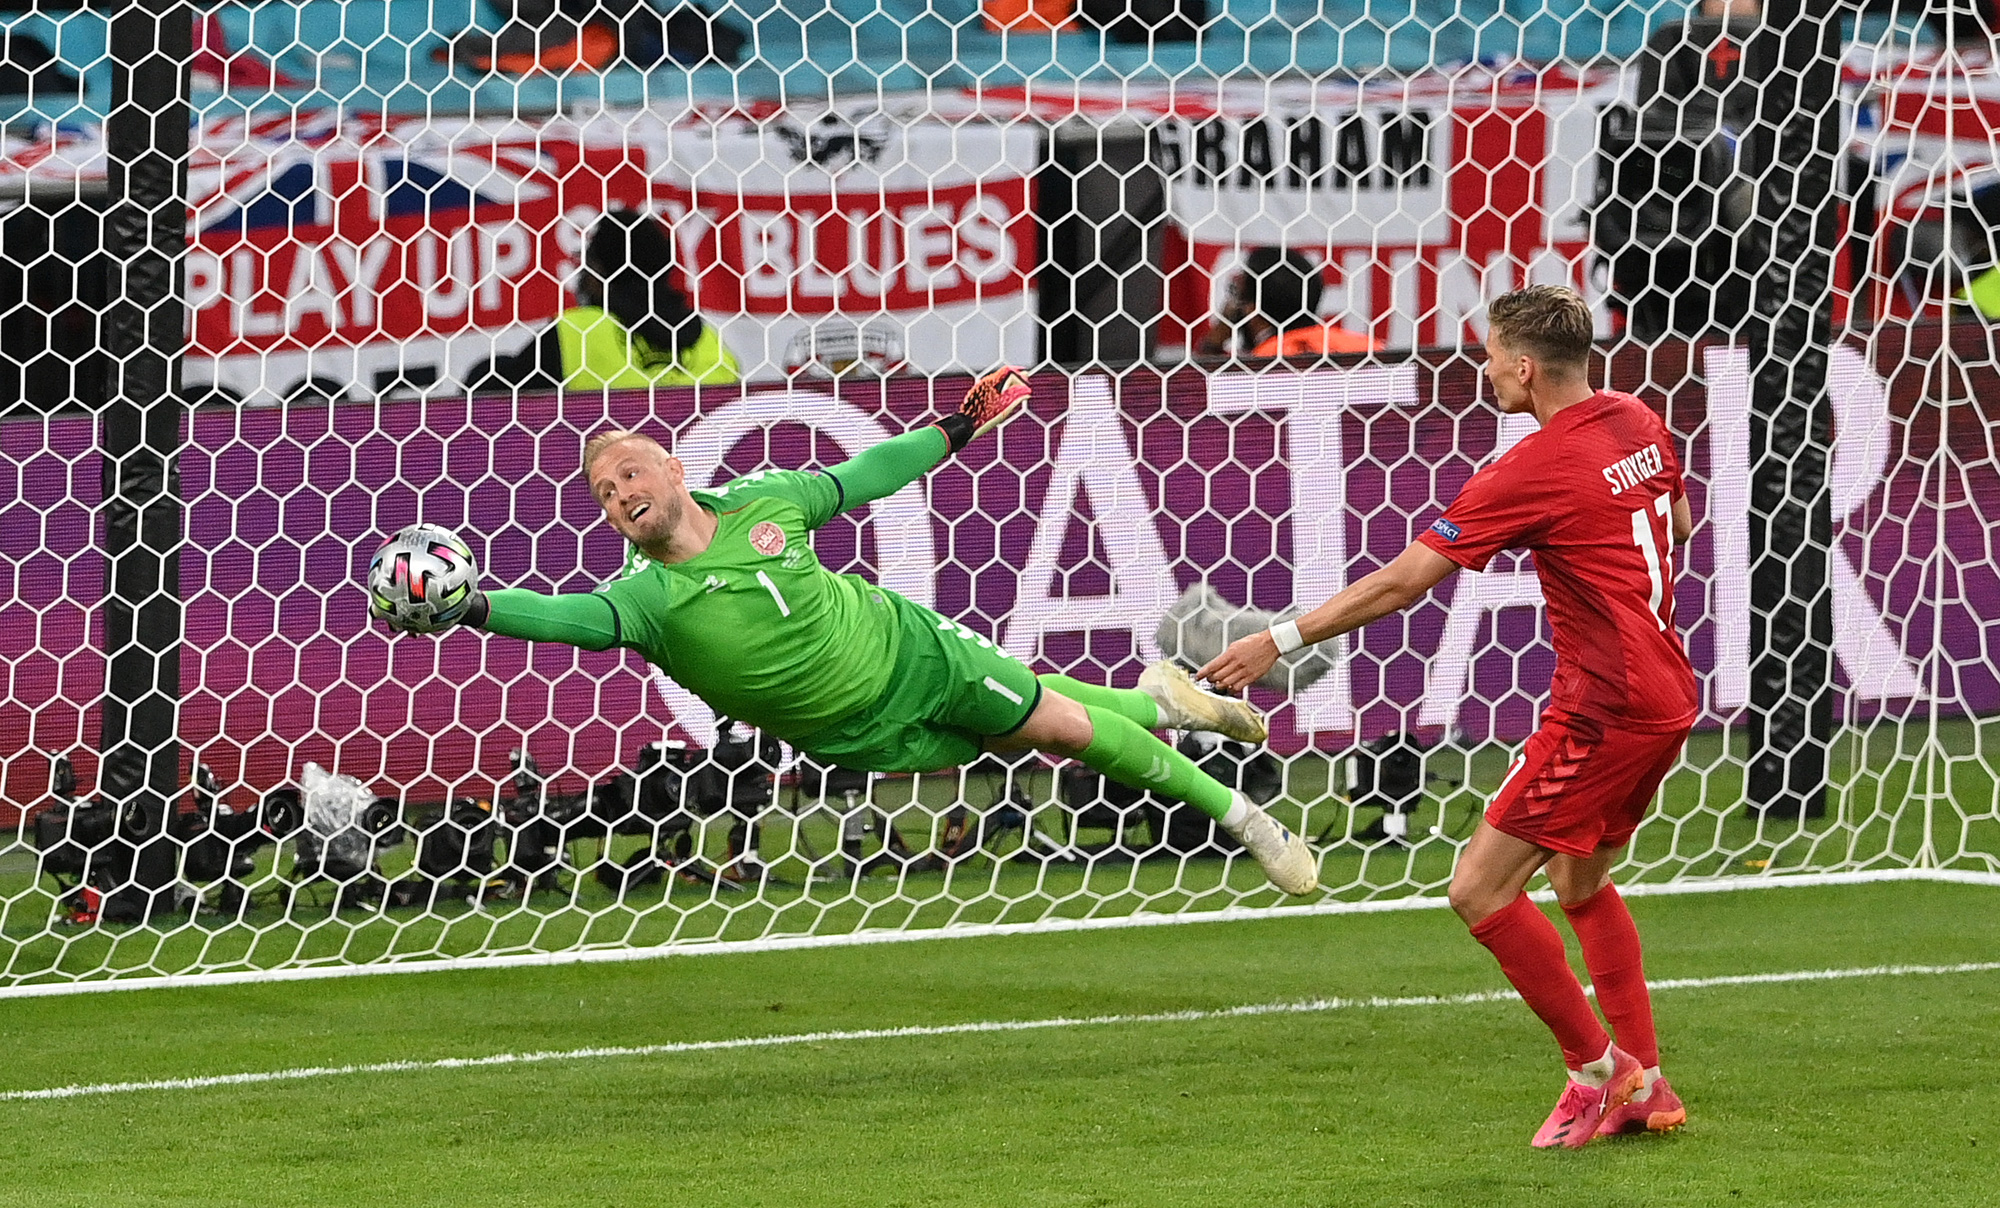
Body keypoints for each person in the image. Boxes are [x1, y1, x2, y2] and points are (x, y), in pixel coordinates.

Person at [371, 368, 1318, 896]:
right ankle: (1163, 696)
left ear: (671, 467)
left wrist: (956, 428)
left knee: (1064, 734)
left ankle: (1245, 820)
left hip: (910, 652)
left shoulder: (764, 501)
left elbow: (865, 476)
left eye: (632, 475)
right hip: (854, 736)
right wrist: (474, 603)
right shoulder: (645, 600)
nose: (622, 495)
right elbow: (569, 622)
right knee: (1048, 725)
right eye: (606, 494)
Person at [1199, 285, 1697, 1148]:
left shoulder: (1532, 466)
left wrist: (1277, 639)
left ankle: (1599, 1072)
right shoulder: (1637, 419)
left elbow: (1401, 582)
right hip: (1666, 696)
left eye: (1493, 352)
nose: (1485, 366)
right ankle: (1648, 1086)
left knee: (1478, 889)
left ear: (1526, 365)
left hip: (1604, 707)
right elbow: (1679, 522)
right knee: (1581, 883)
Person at [467, 208, 740, 394]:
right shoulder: (712, 345)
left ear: (601, 272)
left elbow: (487, 396)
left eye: (589, 264)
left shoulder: (577, 334)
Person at [1195, 247, 1381, 360]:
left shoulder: (1256, 368)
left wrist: (1212, 344)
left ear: (1251, 308)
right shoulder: (1371, 351)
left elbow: (1194, 398)